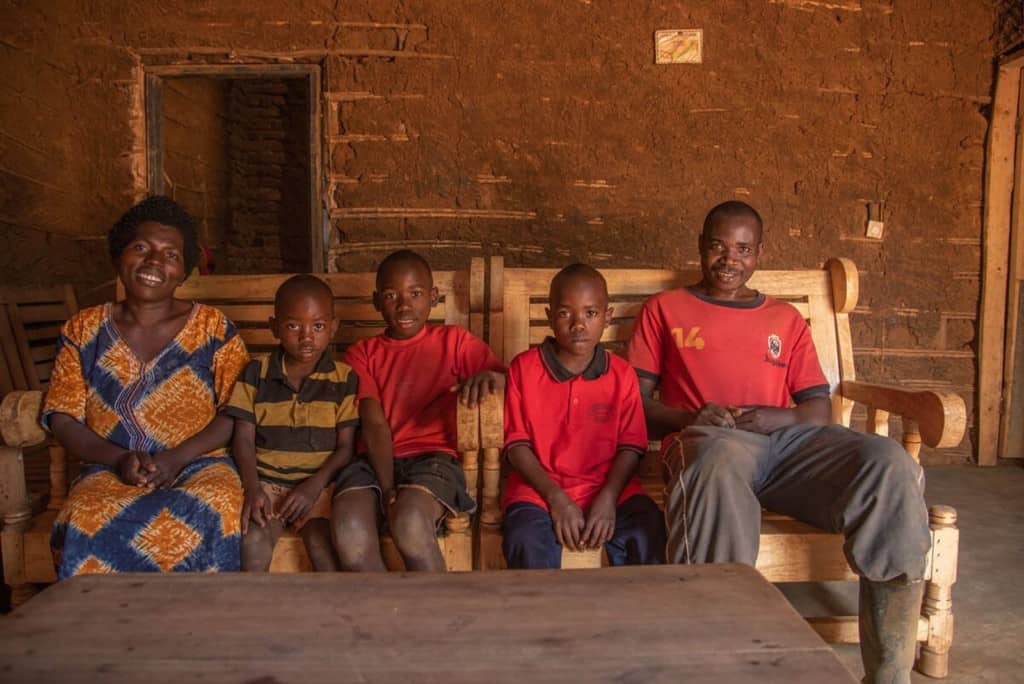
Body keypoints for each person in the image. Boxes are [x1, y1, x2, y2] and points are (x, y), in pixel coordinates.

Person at [626, 200, 931, 684]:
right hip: (713, 442)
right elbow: (635, 405)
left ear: (759, 253)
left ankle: (889, 676)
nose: (730, 260)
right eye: (717, 248)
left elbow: (816, 408)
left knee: (888, 463)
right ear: (700, 249)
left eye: (743, 249)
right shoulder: (664, 310)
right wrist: (693, 416)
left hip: (787, 446)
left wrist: (779, 416)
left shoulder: (785, 319)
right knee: (717, 458)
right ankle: (716, 667)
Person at [42, 195, 249, 576]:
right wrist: (118, 459)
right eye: (141, 248)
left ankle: (202, 626)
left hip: (199, 464)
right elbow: (62, 417)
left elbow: (236, 411)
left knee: (216, 504)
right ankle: (106, 628)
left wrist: (177, 457)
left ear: (184, 270)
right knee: (85, 515)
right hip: (109, 466)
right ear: (118, 256)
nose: (155, 262)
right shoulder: (82, 330)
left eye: (170, 255)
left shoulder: (213, 328)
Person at [332, 250, 504, 572]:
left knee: (409, 524)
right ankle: (383, 616)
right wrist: (386, 489)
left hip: (434, 458)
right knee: (349, 530)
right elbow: (374, 425)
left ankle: (435, 617)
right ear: (376, 302)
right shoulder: (362, 354)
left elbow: (508, 379)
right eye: (391, 295)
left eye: (416, 293)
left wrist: (490, 377)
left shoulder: (454, 342)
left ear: (434, 297)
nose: (404, 305)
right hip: (373, 461)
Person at [501, 264, 665, 569]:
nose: (578, 325)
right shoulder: (524, 369)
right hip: (539, 490)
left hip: (609, 488)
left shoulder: (621, 373)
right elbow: (516, 446)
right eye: (565, 314)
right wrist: (556, 499)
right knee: (524, 540)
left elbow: (631, 446)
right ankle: (545, 618)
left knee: (647, 530)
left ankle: (637, 616)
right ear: (549, 316)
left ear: (607, 316)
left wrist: (608, 499)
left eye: (590, 313)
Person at [223, 275, 358, 571]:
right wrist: (253, 487)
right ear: (275, 327)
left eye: (318, 326)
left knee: (323, 551)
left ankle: (331, 617)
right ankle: (259, 616)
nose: (306, 336)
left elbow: (346, 448)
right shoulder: (255, 373)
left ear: (333, 328)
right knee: (252, 546)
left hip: (319, 487)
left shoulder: (344, 378)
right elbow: (243, 438)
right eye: (293, 326)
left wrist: (314, 487)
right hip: (267, 484)